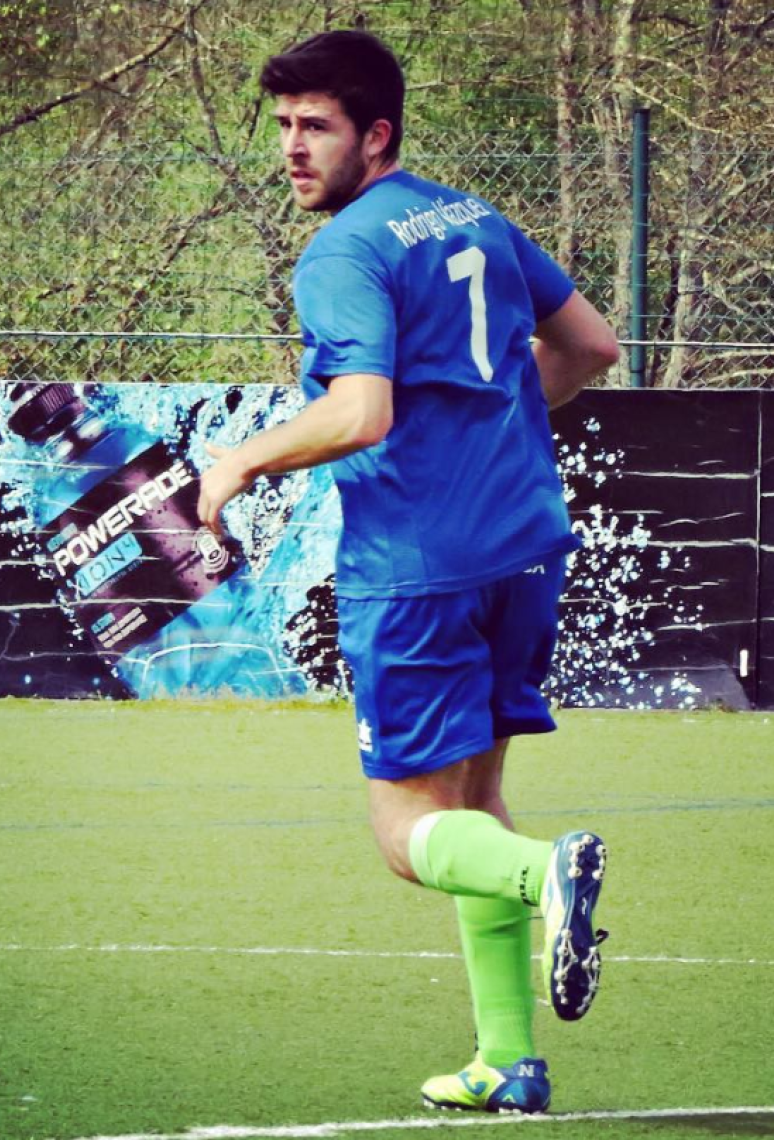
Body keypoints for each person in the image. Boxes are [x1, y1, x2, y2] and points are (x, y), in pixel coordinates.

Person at [197, 29, 619, 1115]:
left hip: (419, 570)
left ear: (375, 134)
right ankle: (508, 1063)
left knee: (405, 834)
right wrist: (509, 412)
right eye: (283, 125)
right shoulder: (472, 214)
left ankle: (547, 874)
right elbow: (589, 350)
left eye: (316, 127)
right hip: (525, 548)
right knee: (475, 798)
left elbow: (361, 408)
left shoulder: (344, 251)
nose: (292, 148)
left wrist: (241, 456)